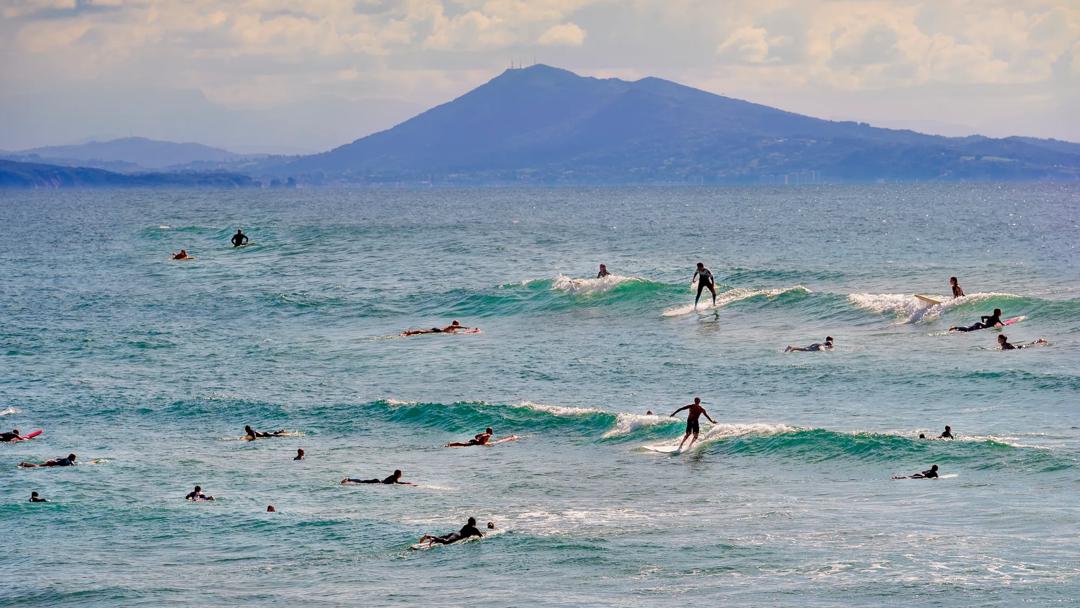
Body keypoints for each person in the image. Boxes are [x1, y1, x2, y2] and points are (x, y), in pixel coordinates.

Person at [417, 517, 485, 546]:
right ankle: (433, 539)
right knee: (446, 542)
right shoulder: (474, 529)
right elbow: (481, 536)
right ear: (473, 522)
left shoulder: (465, 526)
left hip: (454, 533)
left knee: (443, 537)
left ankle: (428, 537)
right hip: (457, 536)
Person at [401, 320, 473, 337]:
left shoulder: (452, 329)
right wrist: (465, 327)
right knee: (423, 332)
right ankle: (409, 333)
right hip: (438, 331)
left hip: (438, 330)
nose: (458, 325)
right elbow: (455, 327)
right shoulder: (452, 326)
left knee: (423, 331)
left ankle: (409, 332)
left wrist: (471, 332)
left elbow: (457, 332)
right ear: (455, 324)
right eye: (458, 324)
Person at [341, 469, 414, 485]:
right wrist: (406, 483)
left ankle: (349, 479)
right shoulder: (394, 477)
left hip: (378, 481)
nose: (401, 475)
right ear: (398, 474)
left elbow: (397, 482)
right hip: (377, 482)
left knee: (362, 481)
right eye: (401, 474)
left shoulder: (393, 477)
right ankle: (349, 479)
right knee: (362, 482)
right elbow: (398, 483)